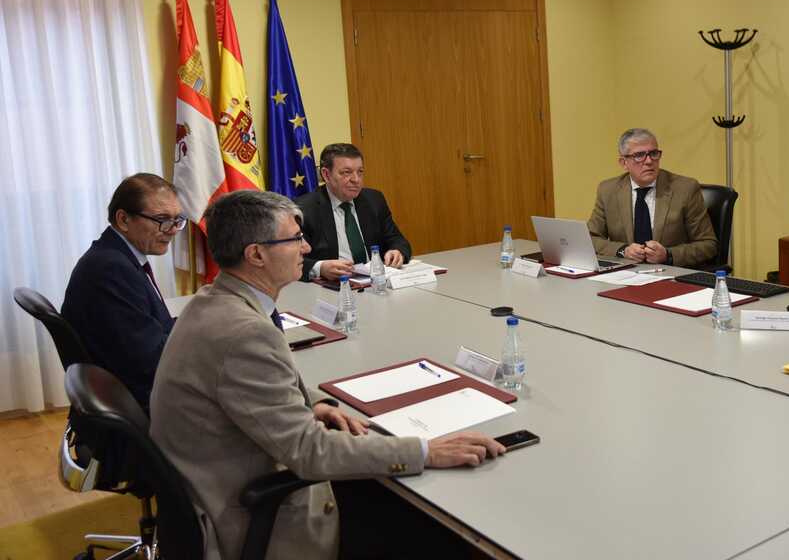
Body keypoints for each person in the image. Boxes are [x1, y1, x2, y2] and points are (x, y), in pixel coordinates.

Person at [150, 190, 504, 560]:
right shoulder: (244, 333)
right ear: (256, 255)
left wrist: (314, 405)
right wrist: (425, 451)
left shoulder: (215, 300)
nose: (306, 248)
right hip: (247, 514)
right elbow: (310, 452)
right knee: (433, 531)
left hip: (222, 479)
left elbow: (253, 393)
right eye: (294, 239)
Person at [62, 173, 184, 411]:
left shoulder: (114, 256)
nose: (173, 230)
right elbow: (148, 359)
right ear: (124, 219)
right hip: (145, 401)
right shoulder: (110, 269)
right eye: (162, 219)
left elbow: (146, 329)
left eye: (177, 220)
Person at [587, 128, 717, 268]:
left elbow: (708, 245)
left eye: (653, 154)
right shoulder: (608, 190)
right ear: (624, 163)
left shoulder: (685, 189)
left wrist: (668, 255)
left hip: (670, 272)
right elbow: (590, 238)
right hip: (626, 273)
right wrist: (622, 250)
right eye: (639, 155)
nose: (649, 161)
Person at [295, 143, 411, 281]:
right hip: (334, 285)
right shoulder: (303, 209)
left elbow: (398, 240)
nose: (356, 179)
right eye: (346, 172)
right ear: (326, 175)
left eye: (360, 172)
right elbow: (289, 260)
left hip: (376, 282)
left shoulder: (374, 199)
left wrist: (397, 252)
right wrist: (321, 268)